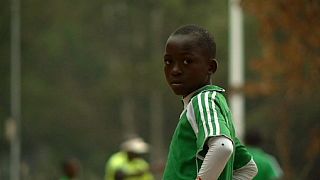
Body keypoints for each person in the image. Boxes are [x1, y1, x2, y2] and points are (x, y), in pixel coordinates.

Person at [162, 24, 258, 180]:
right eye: (168, 62)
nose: (175, 70)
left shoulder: (203, 101)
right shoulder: (214, 106)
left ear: (210, 67)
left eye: (187, 61)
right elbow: (247, 168)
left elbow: (222, 147)